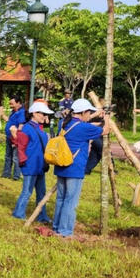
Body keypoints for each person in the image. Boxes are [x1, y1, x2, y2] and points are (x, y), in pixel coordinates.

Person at [52, 98, 110, 238]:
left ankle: (56, 227)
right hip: (75, 168)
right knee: (70, 201)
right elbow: (106, 130)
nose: (89, 115)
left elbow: (87, 123)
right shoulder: (83, 128)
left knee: (61, 198)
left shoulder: (63, 123)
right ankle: (65, 231)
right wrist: (107, 118)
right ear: (83, 112)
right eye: (88, 112)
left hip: (61, 165)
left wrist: (97, 115)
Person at [11, 102, 55, 223]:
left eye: (45, 114)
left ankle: (42, 215)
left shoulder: (39, 129)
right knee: (27, 191)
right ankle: (18, 213)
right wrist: (24, 163)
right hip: (30, 166)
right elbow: (20, 147)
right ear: (34, 114)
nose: (44, 116)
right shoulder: (27, 128)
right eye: (42, 113)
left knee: (42, 193)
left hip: (40, 165)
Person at [2, 96, 25, 180]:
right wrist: (2, 114)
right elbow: (9, 120)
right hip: (9, 137)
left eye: (12, 104)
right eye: (10, 103)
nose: (10, 105)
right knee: (8, 156)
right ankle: (6, 173)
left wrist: (16, 138)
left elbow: (21, 126)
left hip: (15, 138)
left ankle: (16, 175)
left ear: (18, 103)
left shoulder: (21, 112)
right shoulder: (14, 111)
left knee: (16, 157)